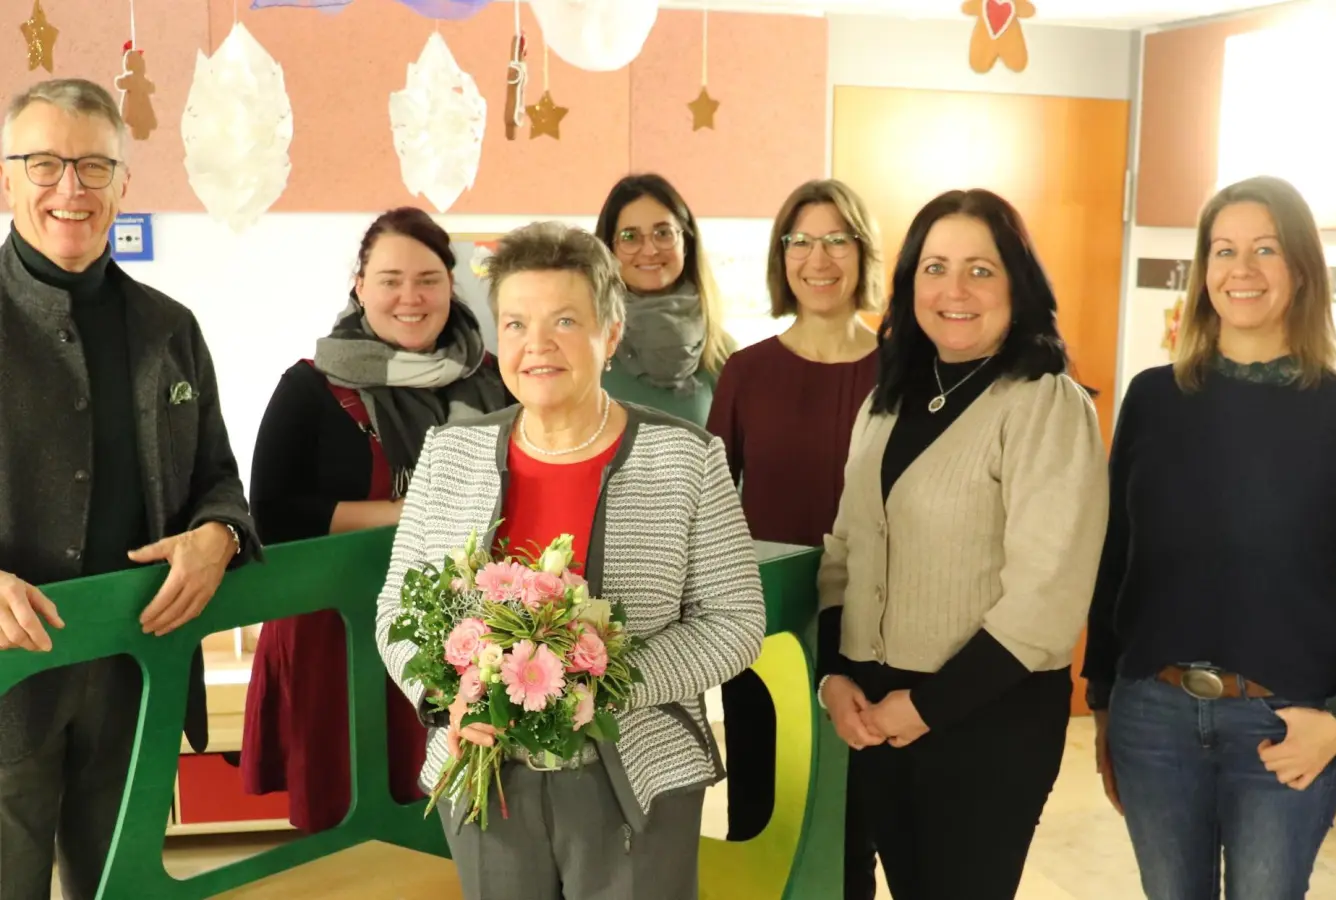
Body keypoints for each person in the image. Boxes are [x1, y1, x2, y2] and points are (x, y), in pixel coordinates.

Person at [374, 221, 765, 899]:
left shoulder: (687, 458)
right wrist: (448, 698)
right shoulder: (449, 453)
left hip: (637, 775)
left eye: (564, 321)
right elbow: (395, 612)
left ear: (610, 333)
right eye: (516, 323)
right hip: (486, 777)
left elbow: (735, 622)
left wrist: (600, 686)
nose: (537, 345)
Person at [1082, 175, 1336, 900]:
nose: (1243, 269)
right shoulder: (1154, 398)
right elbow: (1117, 559)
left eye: (1266, 249)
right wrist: (1103, 700)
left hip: (1289, 723)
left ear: (1302, 268)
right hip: (1154, 717)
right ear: (1204, 271)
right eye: (1224, 250)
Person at [0, 78, 259, 899]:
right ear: (5, 180)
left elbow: (219, 478)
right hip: (7, 683)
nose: (70, 188)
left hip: (138, 671)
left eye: (93, 166)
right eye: (44, 164)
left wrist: (218, 535)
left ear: (122, 184)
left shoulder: (170, 328)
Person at [816, 189, 1108, 899]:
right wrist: (834, 677)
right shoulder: (886, 401)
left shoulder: (1046, 403)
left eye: (980, 270)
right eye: (935, 268)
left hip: (986, 722)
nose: (954, 290)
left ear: (1017, 284)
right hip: (875, 714)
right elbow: (845, 552)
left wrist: (925, 708)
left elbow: (1046, 601)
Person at [240, 207, 511, 833]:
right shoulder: (309, 388)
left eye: (427, 279)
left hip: (468, 630)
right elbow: (273, 515)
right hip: (337, 634)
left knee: (467, 817)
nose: (409, 297)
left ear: (450, 284)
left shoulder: (496, 378)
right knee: (347, 824)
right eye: (390, 279)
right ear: (360, 286)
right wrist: (409, 514)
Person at [706, 179, 882, 893]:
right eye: (801, 241)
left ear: (863, 252)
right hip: (767, 632)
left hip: (875, 633)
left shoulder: (905, 369)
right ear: (782, 257)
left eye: (837, 239)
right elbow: (708, 509)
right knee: (760, 818)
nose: (819, 258)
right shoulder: (747, 372)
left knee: (853, 831)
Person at [593, 173, 737, 425]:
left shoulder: (720, 351)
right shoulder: (585, 342)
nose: (650, 250)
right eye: (629, 237)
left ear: (686, 243)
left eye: (663, 233)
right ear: (608, 249)